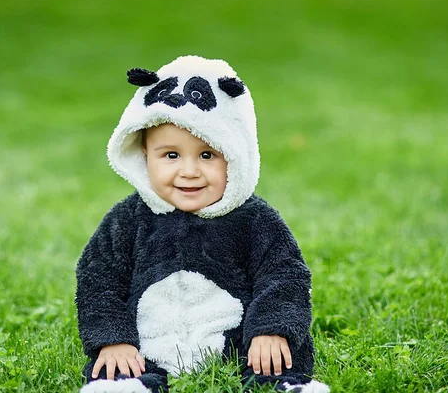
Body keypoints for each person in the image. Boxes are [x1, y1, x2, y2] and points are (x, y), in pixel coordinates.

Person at [75, 55, 329, 393]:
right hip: (146, 343)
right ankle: (130, 385)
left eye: (207, 155)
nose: (189, 171)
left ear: (235, 154)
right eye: (171, 155)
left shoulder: (255, 219)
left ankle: (283, 384)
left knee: (275, 354)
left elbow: (285, 275)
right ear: (144, 155)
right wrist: (112, 339)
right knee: (116, 366)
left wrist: (272, 329)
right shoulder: (128, 219)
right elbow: (98, 278)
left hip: (241, 343)